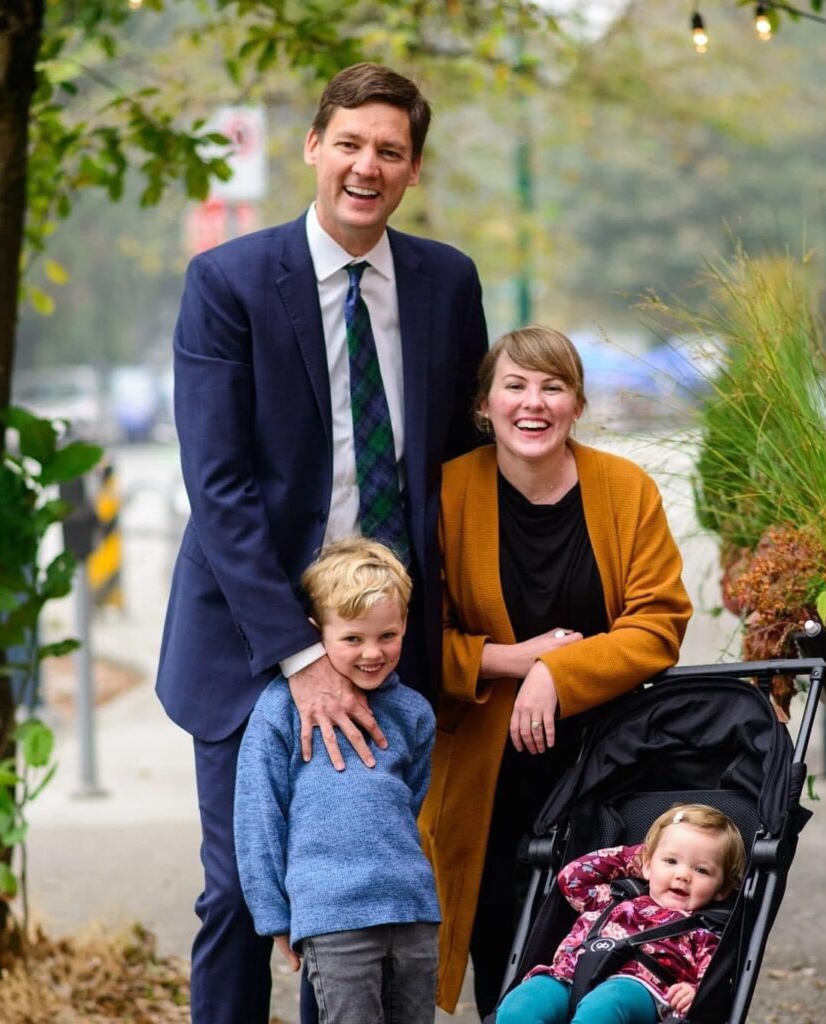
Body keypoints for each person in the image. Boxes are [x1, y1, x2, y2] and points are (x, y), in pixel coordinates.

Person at [155, 62, 488, 1024]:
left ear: (413, 168)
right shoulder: (227, 283)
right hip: (250, 638)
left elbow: (463, 464)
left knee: (357, 903)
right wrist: (301, 657)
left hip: (385, 644)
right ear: (312, 146)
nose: (365, 166)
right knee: (237, 895)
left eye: (389, 150)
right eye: (348, 143)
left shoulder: (445, 282)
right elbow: (218, 489)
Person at [419, 326, 694, 1016]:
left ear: (576, 404)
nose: (532, 403)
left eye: (553, 386)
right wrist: (518, 660)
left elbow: (659, 623)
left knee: (610, 946)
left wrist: (559, 673)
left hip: (607, 764)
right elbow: (419, 636)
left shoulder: (624, 489)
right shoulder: (448, 493)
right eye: (514, 386)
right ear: (484, 406)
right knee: (503, 955)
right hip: (490, 769)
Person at [234, 538, 440, 1024]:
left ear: (404, 625)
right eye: (352, 639)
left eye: (387, 635)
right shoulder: (281, 708)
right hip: (334, 918)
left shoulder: (414, 713)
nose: (373, 652)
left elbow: (410, 800)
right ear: (316, 632)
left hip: (412, 912)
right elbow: (259, 815)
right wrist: (274, 915)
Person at [495, 804, 746, 1023]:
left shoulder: (703, 930)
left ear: (722, 888)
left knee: (602, 1008)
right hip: (568, 975)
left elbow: (714, 979)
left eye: (701, 870)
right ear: (646, 865)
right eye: (670, 861)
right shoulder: (613, 898)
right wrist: (636, 858)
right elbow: (571, 879)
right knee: (519, 1005)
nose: (683, 875)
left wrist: (694, 992)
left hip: (638, 987)